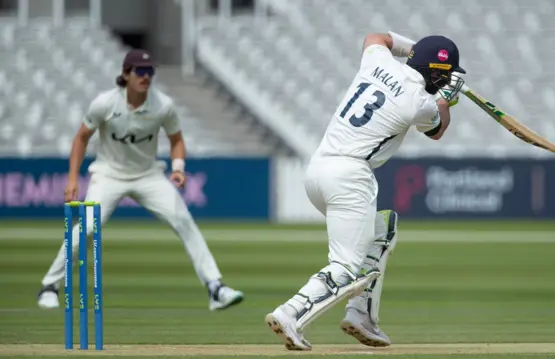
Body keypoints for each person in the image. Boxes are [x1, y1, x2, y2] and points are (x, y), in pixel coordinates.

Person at [265, 32, 466, 351]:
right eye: (442, 75)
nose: (444, 81)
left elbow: (377, 36)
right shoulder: (420, 103)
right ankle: (291, 313)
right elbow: (437, 130)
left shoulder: (377, 60)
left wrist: (412, 49)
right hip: (350, 177)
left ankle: (361, 315)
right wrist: (447, 100)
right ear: (435, 73)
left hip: (318, 169)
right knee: (346, 268)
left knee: (381, 231)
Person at [37, 49, 244, 312]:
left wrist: (178, 167)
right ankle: (50, 286)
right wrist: (71, 179)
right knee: (87, 228)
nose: (146, 77)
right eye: (140, 72)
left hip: (148, 175)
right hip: (109, 174)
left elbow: (176, 139)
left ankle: (216, 288)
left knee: (183, 220)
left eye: (150, 72)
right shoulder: (105, 104)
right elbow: (81, 138)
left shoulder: (163, 105)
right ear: (126, 74)